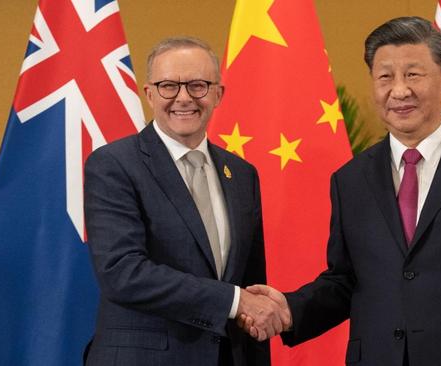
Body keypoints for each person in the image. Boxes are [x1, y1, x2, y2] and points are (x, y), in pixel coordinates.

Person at [242, 16, 441, 365]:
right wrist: (290, 310)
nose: (399, 90)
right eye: (385, 77)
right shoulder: (350, 179)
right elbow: (347, 280)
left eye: (413, 74)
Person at [83, 37, 289, 366]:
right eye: (168, 86)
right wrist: (235, 301)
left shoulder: (241, 173)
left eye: (198, 85)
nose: (184, 98)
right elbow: (122, 272)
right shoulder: (114, 165)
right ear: (149, 93)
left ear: (218, 94)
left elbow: (249, 282)